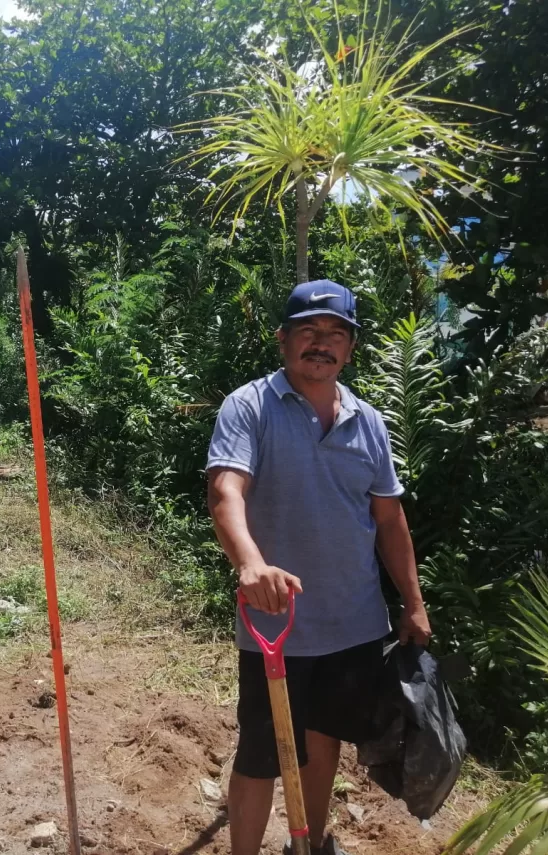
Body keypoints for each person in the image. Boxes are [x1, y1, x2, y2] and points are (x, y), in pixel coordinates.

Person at [207, 280, 431, 855]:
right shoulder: (250, 406)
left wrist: (412, 601)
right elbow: (226, 491)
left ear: (350, 349)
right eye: (308, 330)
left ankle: (304, 846)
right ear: (283, 339)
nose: (321, 343)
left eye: (336, 334)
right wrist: (252, 565)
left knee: (324, 738)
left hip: (353, 622)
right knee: (259, 752)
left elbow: (389, 521)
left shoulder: (369, 422)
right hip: (273, 622)